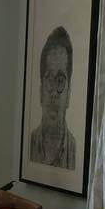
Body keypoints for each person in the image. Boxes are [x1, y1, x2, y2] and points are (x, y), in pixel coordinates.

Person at [30, 26, 76, 170]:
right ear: (40, 91)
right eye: (49, 80)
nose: (54, 93)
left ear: (68, 94)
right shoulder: (29, 143)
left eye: (60, 80)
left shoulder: (74, 149)